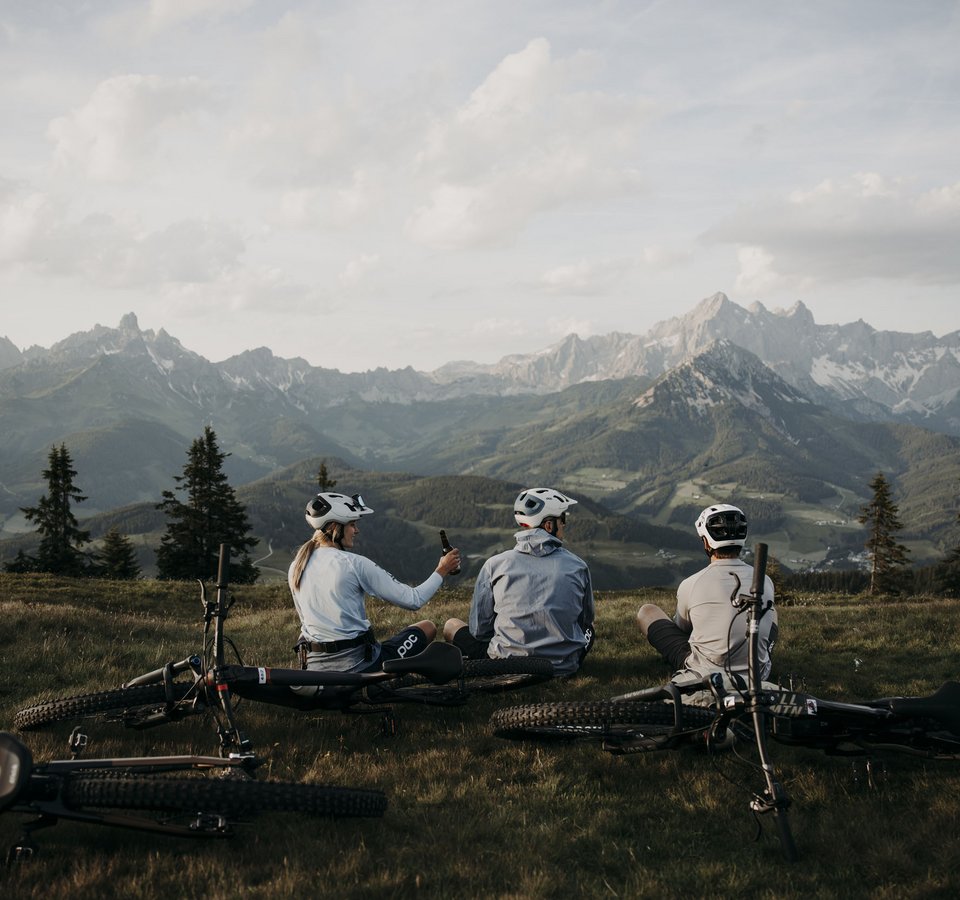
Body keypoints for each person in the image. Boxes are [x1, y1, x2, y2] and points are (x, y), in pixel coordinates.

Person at [289, 491, 461, 676]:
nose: (356, 531)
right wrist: (442, 570)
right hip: (359, 667)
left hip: (315, 669)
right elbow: (414, 600)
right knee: (428, 627)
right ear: (334, 527)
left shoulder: (297, 566)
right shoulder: (353, 563)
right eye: (352, 524)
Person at [443, 487, 594, 676]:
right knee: (591, 629)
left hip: (504, 666)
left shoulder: (494, 565)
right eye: (562, 519)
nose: (564, 524)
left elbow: (479, 631)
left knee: (451, 625)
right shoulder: (578, 566)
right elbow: (586, 620)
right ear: (548, 526)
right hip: (562, 667)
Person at [636, 503, 778, 682]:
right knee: (772, 612)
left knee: (647, 611)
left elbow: (683, 629)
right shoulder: (765, 580)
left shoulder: (692, 583)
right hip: (758, 672)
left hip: (706, 674)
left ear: (705, 541)